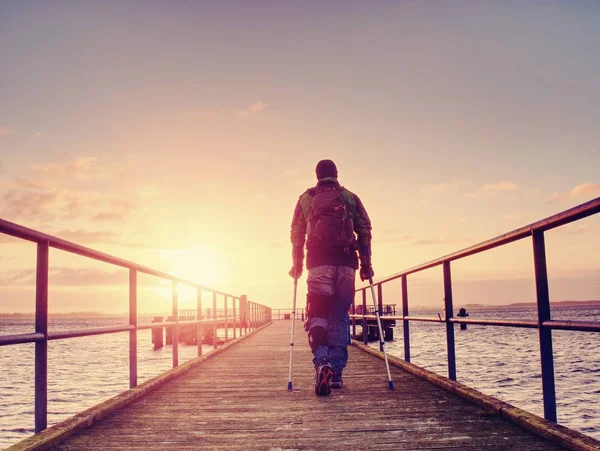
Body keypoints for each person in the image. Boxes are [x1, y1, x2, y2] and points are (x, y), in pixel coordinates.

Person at [289, 159, 373, 396]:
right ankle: (336, 373)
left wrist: (296, 264)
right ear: (337, 174)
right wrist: (366, 263)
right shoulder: (350, 197)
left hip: (318, 264)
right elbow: (364, 229)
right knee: (339, 316)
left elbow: (296, 233)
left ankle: (322, 361)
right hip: (347, 265)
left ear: (317, 175)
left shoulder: (305, 199)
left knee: (317, 314)